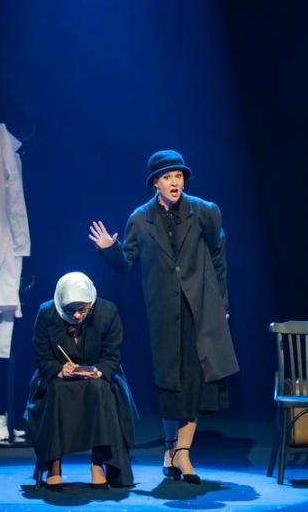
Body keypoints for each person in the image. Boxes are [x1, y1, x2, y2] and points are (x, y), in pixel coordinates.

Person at [89, 150, 239, 484]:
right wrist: (109, 249)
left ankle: (183, 453)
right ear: (155, 182)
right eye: (168, 177)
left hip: (201, 308)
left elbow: (219, 258)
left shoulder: (204, 211)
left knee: (197, 382)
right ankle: (171, 448)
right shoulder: (140, 219)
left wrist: (222, 303)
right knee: (172, 384)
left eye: (179, 176)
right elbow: (126, 263)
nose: (175, 182)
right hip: (164, 313)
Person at [24, 272, 136, 491]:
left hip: (96, 375)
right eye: (70, 310)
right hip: (58, 377)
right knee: (56, 390)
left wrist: (99, 371)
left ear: (90, 303)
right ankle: (54, 465)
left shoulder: (107, 311)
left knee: (100, 388)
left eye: (82, 310)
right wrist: (58, 369)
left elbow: (112, 355)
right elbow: (41, 356)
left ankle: (98, 464)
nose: (76, 316)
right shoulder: (46, 313)